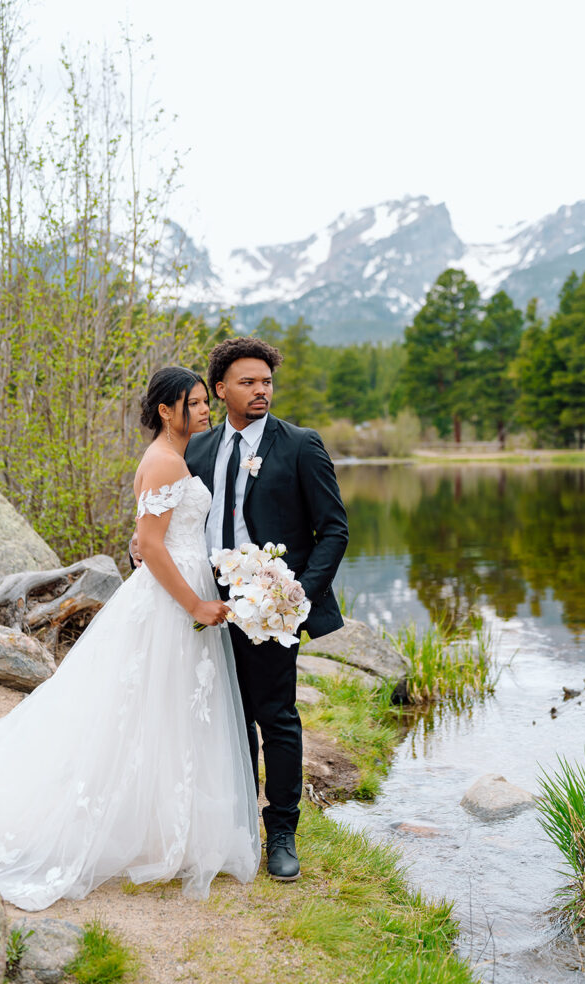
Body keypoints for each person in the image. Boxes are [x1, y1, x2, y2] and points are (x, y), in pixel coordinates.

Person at [0, 367, 260, 911]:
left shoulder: (169, 456)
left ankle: (168, 825)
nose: (203, 410)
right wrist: (196, 603)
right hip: (174, 601)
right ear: (166, 411)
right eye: (193, 403)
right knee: (149, 707)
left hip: (177, 591)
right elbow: (151, 546)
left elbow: (143, 535)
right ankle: (149, 829)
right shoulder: (167, 460)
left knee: (169, 709)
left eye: (203, 401)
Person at [184, 336, 349, 881]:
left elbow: (334, 529)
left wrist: (296, 595)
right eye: (249, 382)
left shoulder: (301, 444)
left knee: (275, 718)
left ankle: (280, 833)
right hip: (207, 605)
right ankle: (228, 827)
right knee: (218, 718)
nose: (261, 391)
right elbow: (180, 521)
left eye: (267, 382)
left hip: (272, 610)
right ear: (221, 389)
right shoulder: (198, 449)